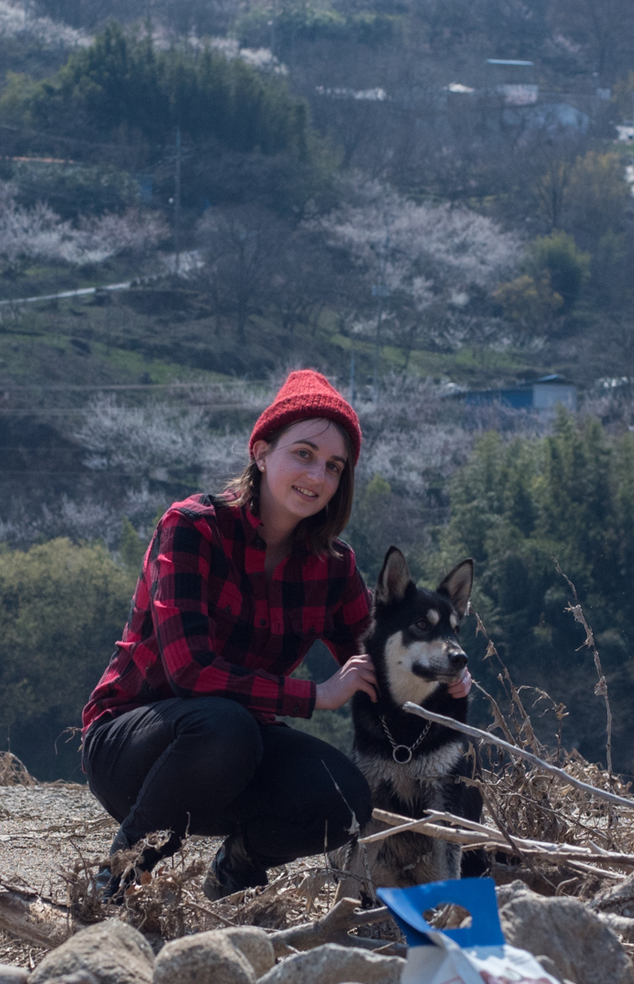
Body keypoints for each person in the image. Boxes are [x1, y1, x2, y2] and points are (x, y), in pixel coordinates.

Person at [79, 369, 466, 899]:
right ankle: (119, 880)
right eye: (303, 454)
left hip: (236, 757)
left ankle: (235, 872)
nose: (317, 476)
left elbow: (382, 658)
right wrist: (316, 696)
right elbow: (189, 671)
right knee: (225, 724)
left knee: (343, 794)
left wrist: (442, 677)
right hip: (132, 748)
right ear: (261, 451)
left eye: (333, 466)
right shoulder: (192, 528)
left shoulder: (332, 565)